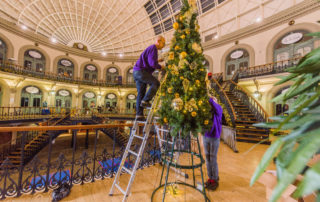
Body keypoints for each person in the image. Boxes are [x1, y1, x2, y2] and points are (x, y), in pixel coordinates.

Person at [133, 36, 166, 121]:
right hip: (141, 71)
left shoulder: (151, 49)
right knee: (156, 83)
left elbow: (149, 60)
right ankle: (146, 101)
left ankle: (139, 115)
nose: (164, 46)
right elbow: (152, 64)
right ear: (159, 41)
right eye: (163, 43)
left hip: (136, 72)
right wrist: (161, 67)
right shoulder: (153, 48)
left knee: (141, 93)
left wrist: (158, 60)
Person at [203, 96, 223, 190]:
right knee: (207, 158)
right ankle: (210, 177)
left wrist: (208, 96)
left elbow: (215, 105)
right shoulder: (206, 112)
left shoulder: (218, 109)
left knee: (213, 158)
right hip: (205, 137)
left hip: (215, 138)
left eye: (214, 100)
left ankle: (214, 179)